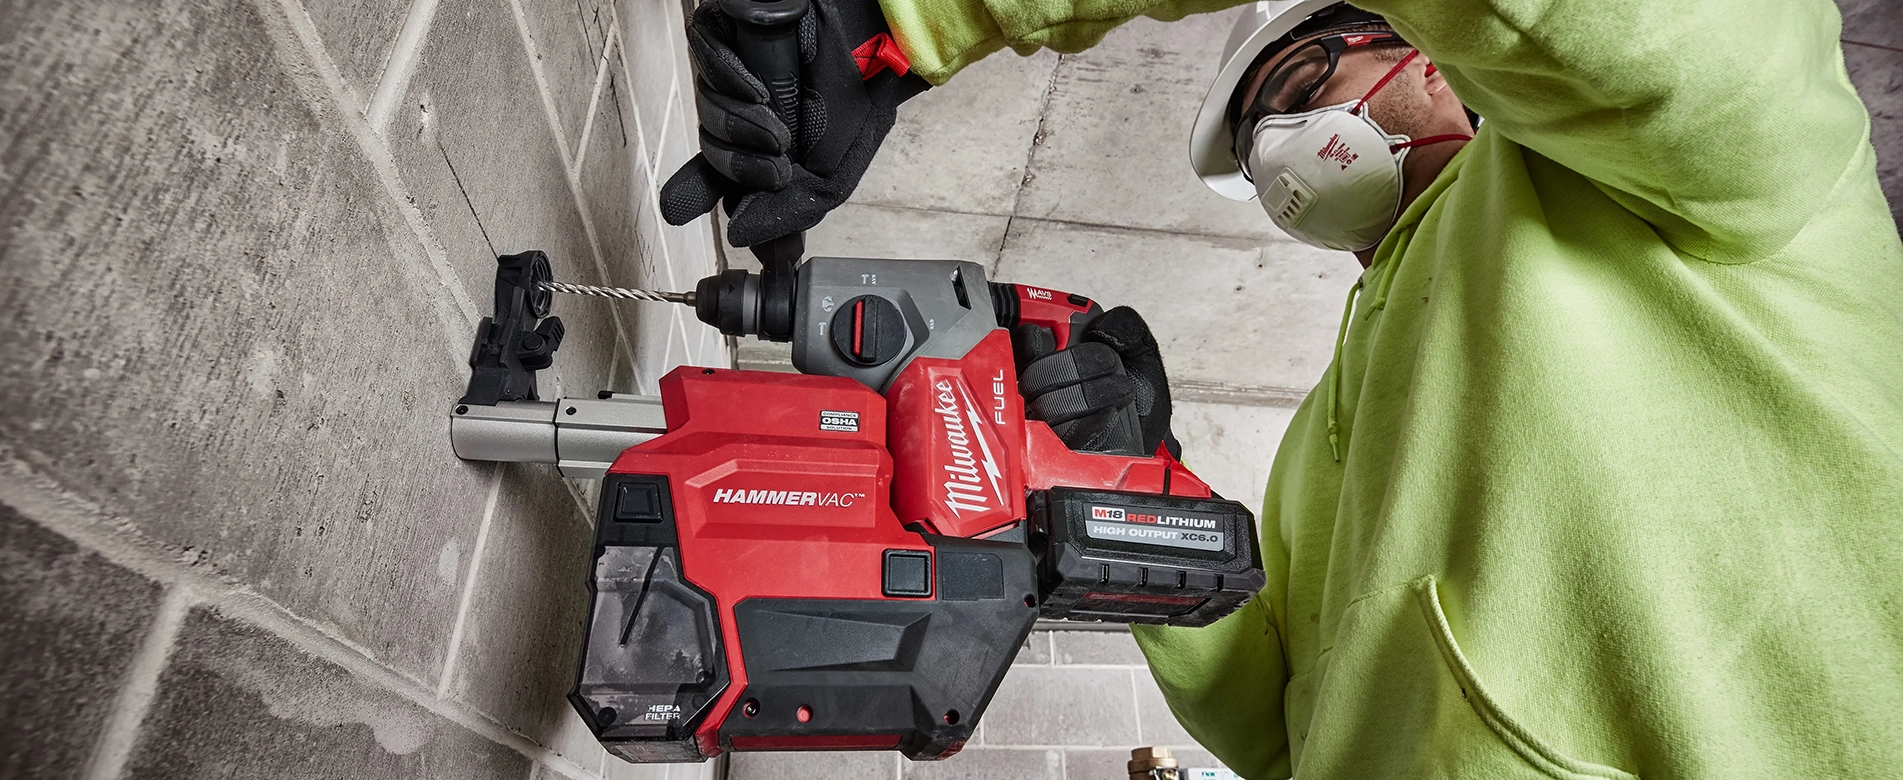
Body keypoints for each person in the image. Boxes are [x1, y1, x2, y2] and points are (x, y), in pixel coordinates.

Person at [661, 0, 1903, 776]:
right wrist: (1139, 492)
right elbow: (1273, 730)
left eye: (1305, 88)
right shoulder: (1321, 435)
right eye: (1258, 152)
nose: (1281, 154)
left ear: (1436, 52)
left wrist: (906, 19)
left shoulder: (1716, 177)